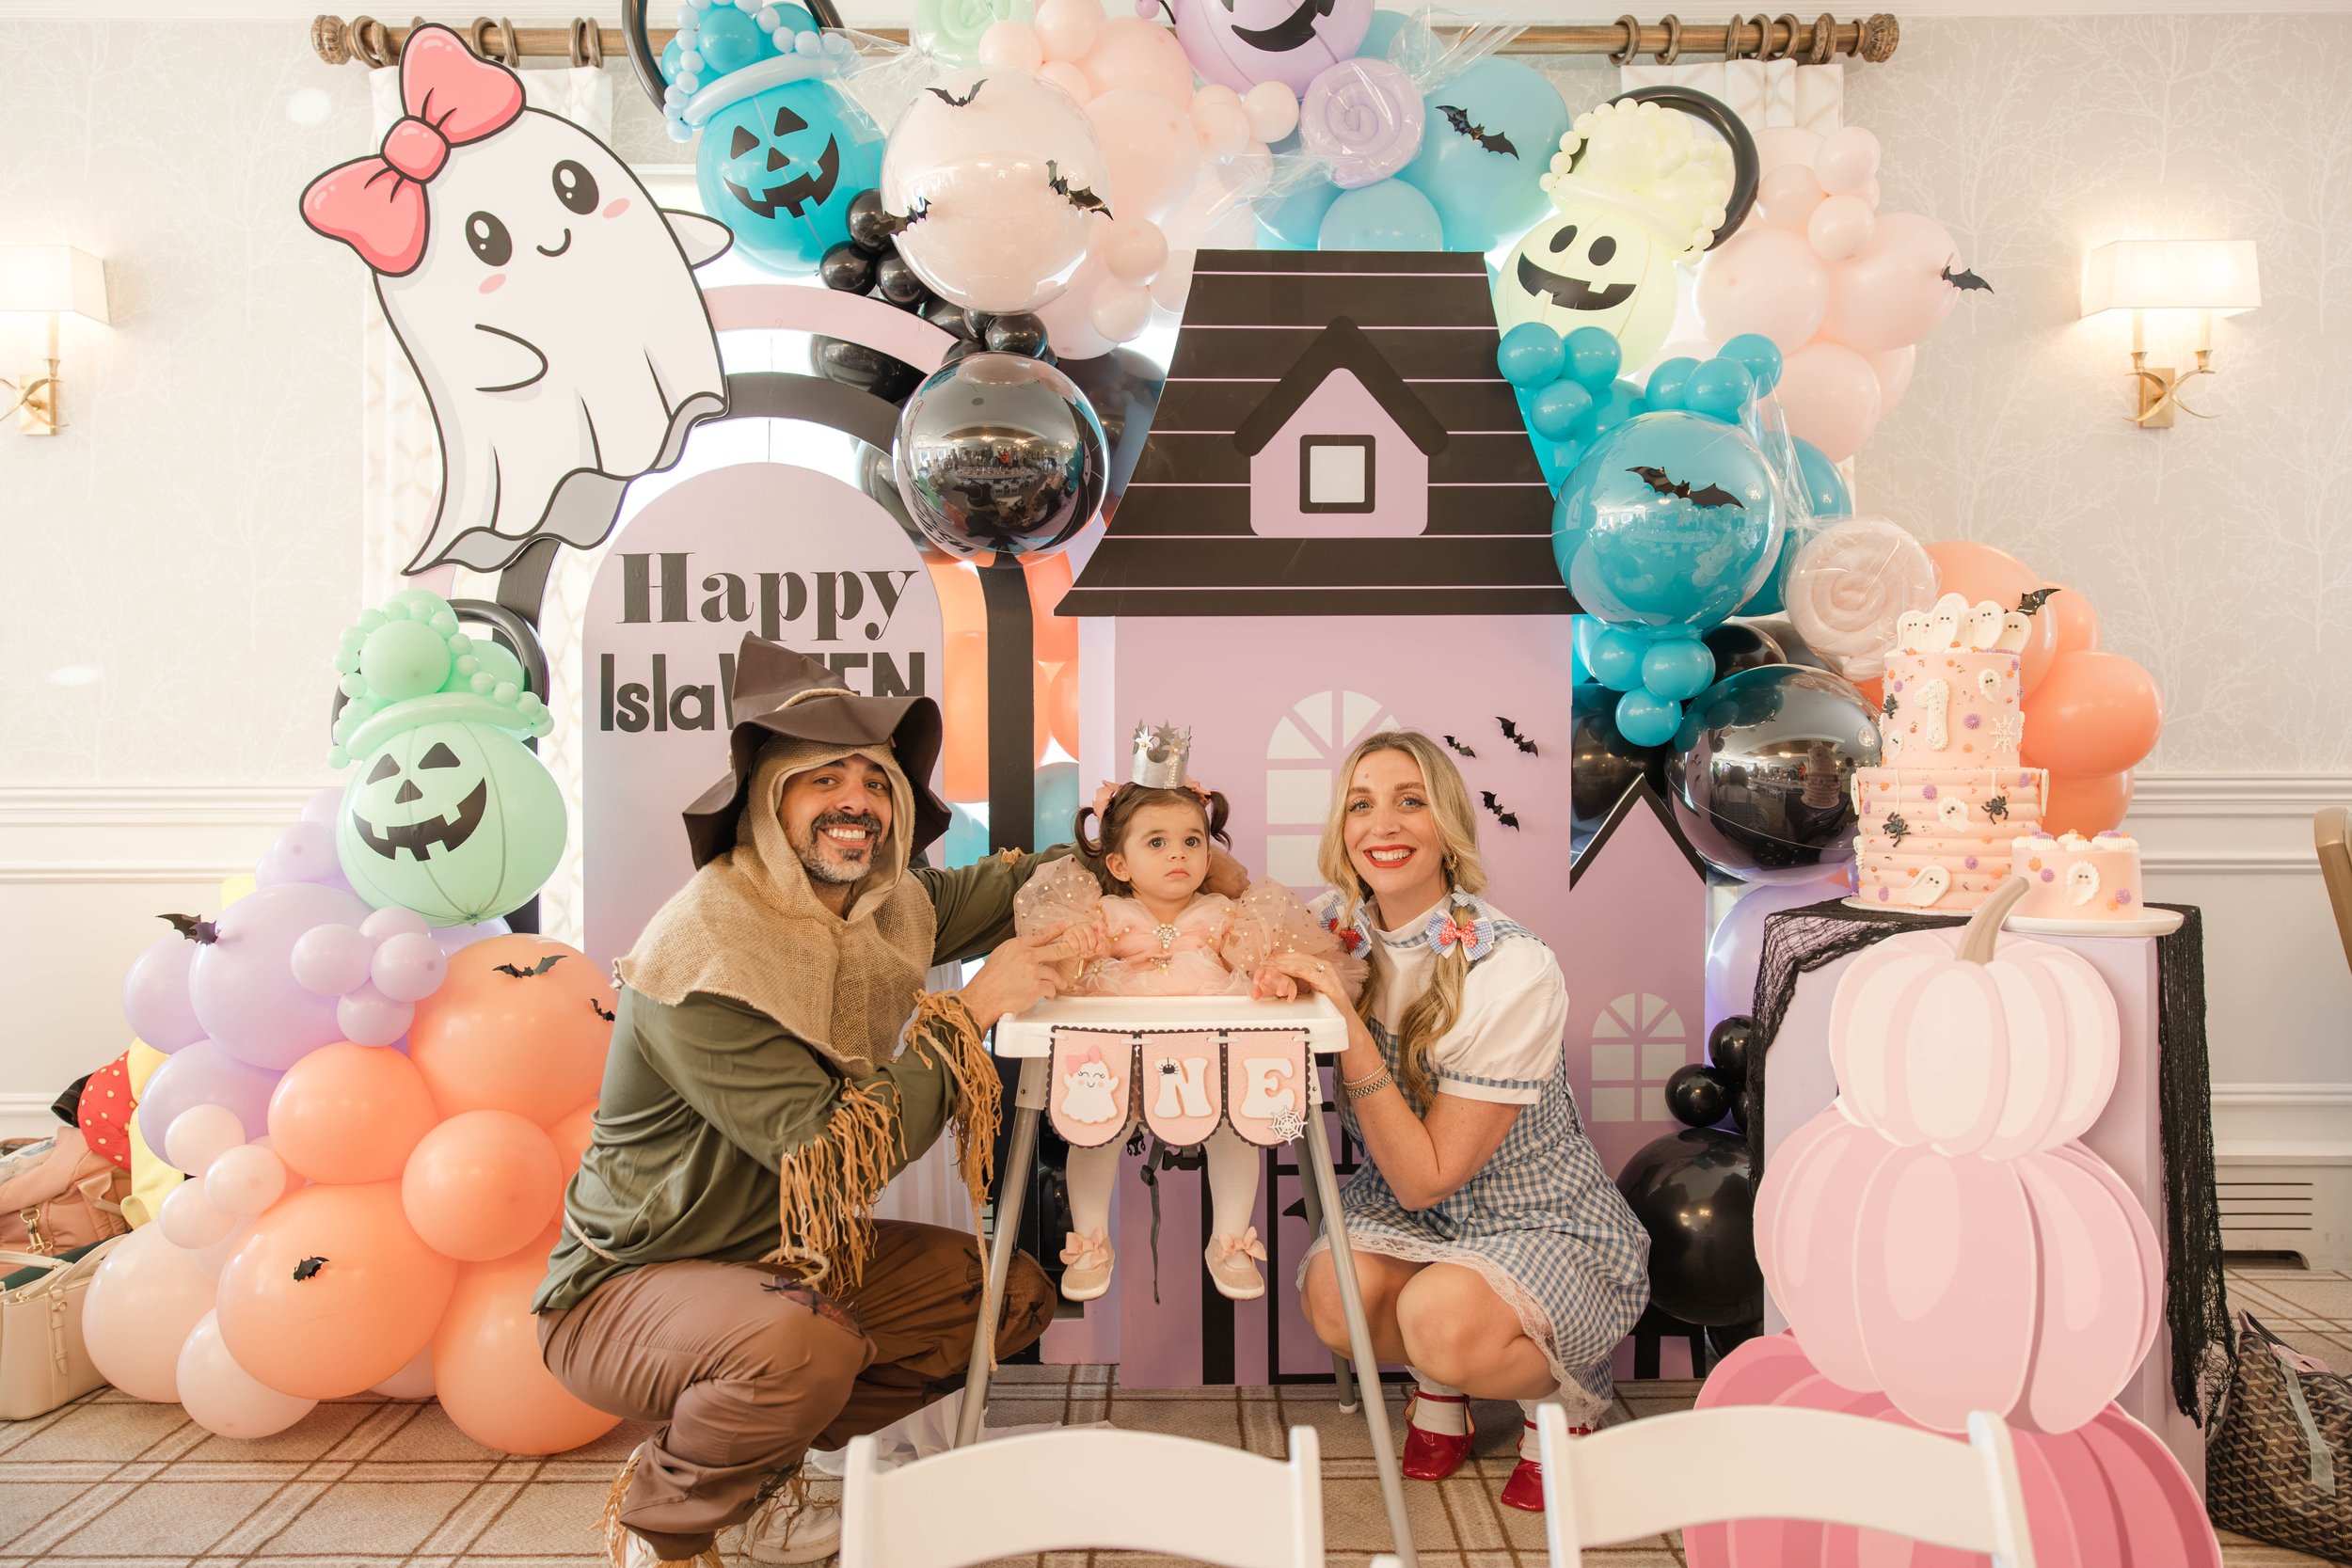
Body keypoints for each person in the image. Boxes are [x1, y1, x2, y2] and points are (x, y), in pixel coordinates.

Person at [532, 638, 1210, 1568]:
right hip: (629, 1286)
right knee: (797, 1344)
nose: (857, 800)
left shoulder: (885, 907)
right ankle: (669, 1522)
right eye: (823, 778)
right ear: (768, 799)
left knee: (1002, 1294)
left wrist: (1133, 836)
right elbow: (830, 1152)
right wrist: (969, 1010)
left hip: (787, 1262)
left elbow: (1020, 885)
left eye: (877, 781)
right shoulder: (706, 951)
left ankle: (755, 1474)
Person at [1257, 729, 1649, 1513]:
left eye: (1411, 802)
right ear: (1341, 830)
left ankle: (1567, 1403)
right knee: (1333, 1298)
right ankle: (1441, 1382)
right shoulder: (1339, 928)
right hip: (1412, 1216)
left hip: (1534, 1217)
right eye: (1361, 804)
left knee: (1438, 1318)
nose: (1385, 825)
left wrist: (1350, 1025)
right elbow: (1239, 901)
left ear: (1448, 824)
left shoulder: (1513, 966)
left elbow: (1427, 1173)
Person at [1012, 724, 1364, 1303]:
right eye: (1156, 843)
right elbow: (1061, 968)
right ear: (1119, 864)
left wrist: (1273, 977)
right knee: (1094, 1124)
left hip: (1210, 1052)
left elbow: (1266, 958)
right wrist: (1075, 952)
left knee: (1239, 1124)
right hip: (1121, 1051)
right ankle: (1090, 1237)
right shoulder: (1103, 913)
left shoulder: (1226, 914)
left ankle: (1228, 1237)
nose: (1178, 853)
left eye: (1192, 841)